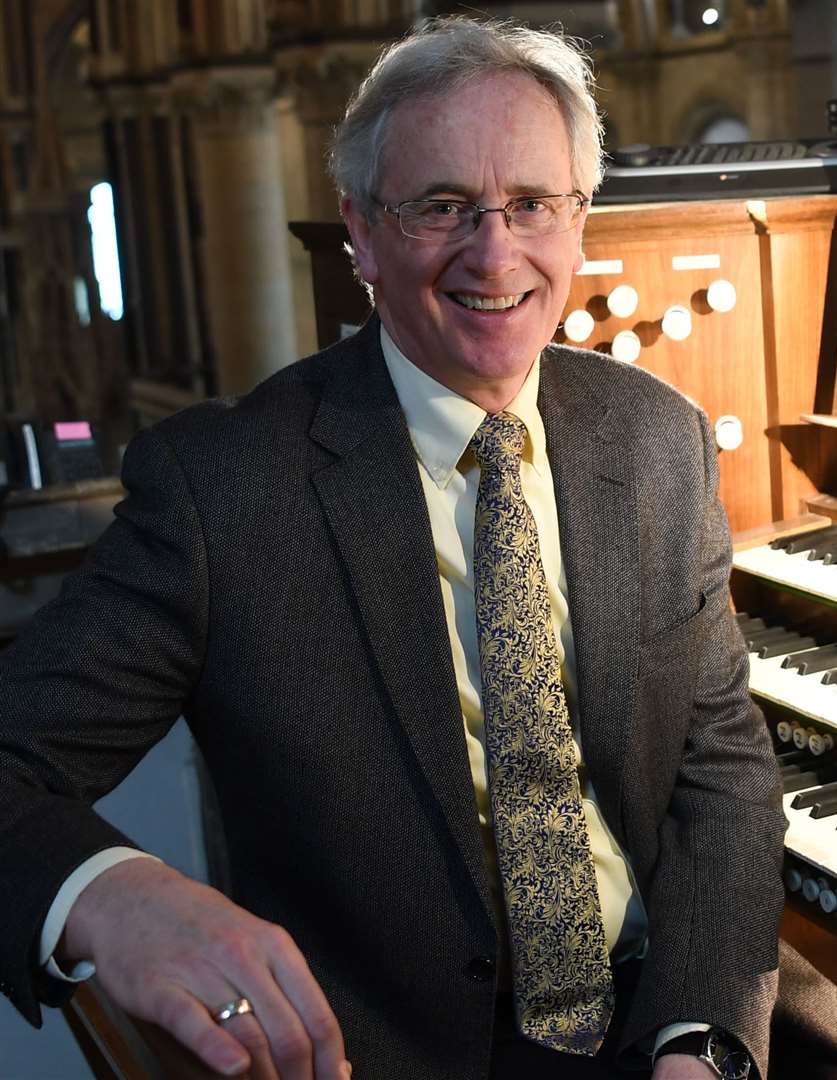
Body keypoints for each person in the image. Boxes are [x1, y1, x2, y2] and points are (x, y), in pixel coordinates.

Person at [0, 17, 792, 1080]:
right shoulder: (223, 492)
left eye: (530, 206)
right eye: (443, 207)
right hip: (395, 1050)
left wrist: (702, 1037)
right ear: (361, 235)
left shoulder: (659, 439)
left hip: (670, 1009)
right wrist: (108, 892)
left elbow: (720, 766)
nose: (495, 252)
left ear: (580, 223)